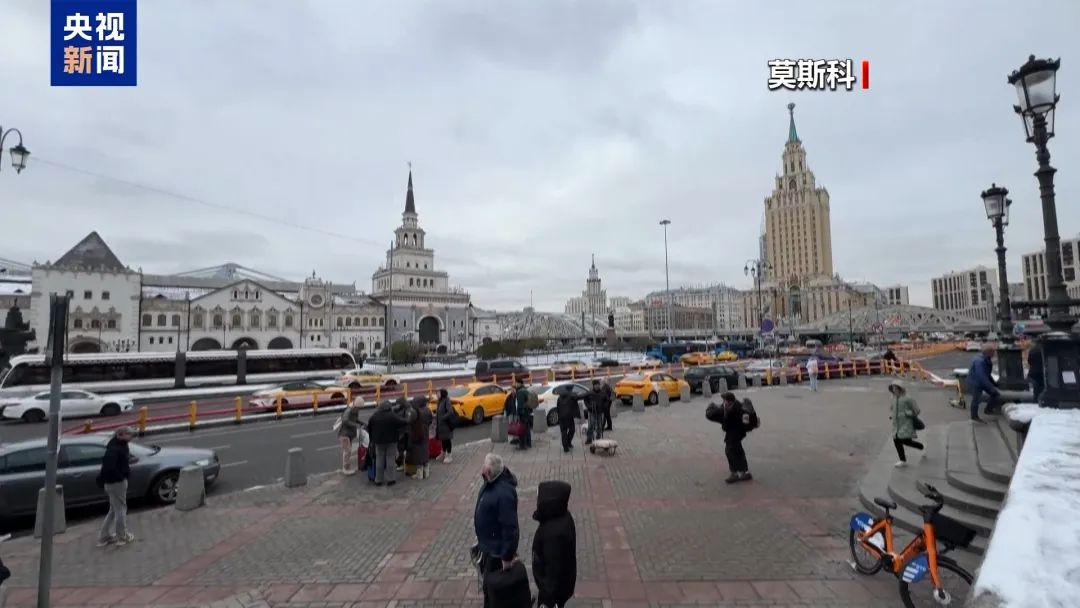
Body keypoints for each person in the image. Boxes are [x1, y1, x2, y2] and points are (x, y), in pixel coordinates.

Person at [474, 453, 520, 608]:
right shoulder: (492, 482)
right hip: (488, 547)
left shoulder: (504, 494)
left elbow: (510, 529)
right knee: (489, 587)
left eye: (484, 467)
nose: (481, 470)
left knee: (496, 591)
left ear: (489, 472)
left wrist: (506, 557)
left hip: (496, 553)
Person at [531, 480, 577, 608]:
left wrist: (547, 600)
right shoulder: (563, 516)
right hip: (561, 586)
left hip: (552, 593)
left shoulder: (554, 534)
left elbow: (553, 570)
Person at [97, 427, 136, 547]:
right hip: (116, 483)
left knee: (114, 509)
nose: (131, 437)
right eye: (129, 434)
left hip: (111, 483)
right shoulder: (115, 449)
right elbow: (109, 467)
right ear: (120, 435)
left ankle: (104, 537)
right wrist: (121, 476)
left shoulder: (117, 445)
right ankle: (122, 537)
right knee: (121, 510)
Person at [368, 399, 407, 486]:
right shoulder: (392, 415)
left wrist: (372, 439)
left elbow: (369, 427)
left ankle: (378, 479)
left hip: (378, 441)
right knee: (390, 459)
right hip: (391, 441)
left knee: (379, 459)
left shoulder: (375, 416)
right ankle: (391, 479)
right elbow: (402, 422)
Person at [717, 392, 752, 484]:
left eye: (724, 400)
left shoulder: (733, 410)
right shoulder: (735, 406)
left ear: (729, 401)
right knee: (738, 451)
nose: (723, 402)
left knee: (730, 452)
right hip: (736, 433)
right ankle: (744, 472)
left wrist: (725, 412)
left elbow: (726, 425)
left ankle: (735, 473)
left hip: (735, 434)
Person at [889, 380, 923, 467]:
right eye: (893, 388)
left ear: (900, 388)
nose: (894, 390)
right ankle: (902, 460)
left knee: (906, 441)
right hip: (896, 424)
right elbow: (892, 408)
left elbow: (917, 410)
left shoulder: (908, 398)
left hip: (906, 423)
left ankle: (921, 447)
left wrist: (907, 413)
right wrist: (892, 415)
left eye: (896, 388)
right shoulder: (893, 398)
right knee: (896, 440)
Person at [968, 344, 1001, 422]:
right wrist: (991, 387)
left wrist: (994, 384)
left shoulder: (986, 359)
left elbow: (987, 374)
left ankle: (988, 410)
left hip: (981, 382)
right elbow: (982, 376)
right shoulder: (980, 361)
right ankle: (974, 417)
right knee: (976, 399)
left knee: (995, 394)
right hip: (975, 383)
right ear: (988, 352)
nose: (994, 353)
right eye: (993, 351)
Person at [406, 396, 434, 479]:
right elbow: (430, 421)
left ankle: (419, 473)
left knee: (417, 453)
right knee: (424, 450)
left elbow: (409, 422)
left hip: (416, 434)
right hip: (425, 432)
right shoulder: (428, 410)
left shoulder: (415, 412)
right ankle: (426, 472)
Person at [337, 402, 362, 475]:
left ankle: (347, 467)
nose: (359, 409)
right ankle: (345, 469)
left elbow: (355, 420)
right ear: (356, 406)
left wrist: (362, 423)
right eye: (359, 408)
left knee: (348, 451)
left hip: (349, 434)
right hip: (344, 434)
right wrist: (356, 425)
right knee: (347, 451)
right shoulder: (348, 411)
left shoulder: (354, 411)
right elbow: (345, 421)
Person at [555, 387, 582, 452]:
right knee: (572, 430)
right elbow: (578, 397)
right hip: (569, 417)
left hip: (561, 418)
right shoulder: (570, 396)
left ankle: (565, 447)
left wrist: (559, 417)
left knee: (564, 432)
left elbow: (558, 408)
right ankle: (568, 443)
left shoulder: (559, 398)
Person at [435, 388, 456, 464]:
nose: (437, 394)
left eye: (438, 393)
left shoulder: (446, 401)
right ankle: (443, 453)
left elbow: (450, 412)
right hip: (441, 425)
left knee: (447, 440)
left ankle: (449, 455)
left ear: (442, 393)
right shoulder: (439, 401)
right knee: (443, 439)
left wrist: (443, 418)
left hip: (446, 424)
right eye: (436, 393)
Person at [514, 380, 532, 450]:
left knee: (522, 430)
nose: (515, 384)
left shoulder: (520, 392)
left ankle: (522, 445)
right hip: (527, 413)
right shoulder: (525, 390)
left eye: (516, 383)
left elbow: (520, 405)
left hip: (523, 414)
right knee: (527, 429)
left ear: (520, 383)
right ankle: (528, 443)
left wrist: (518, 414)